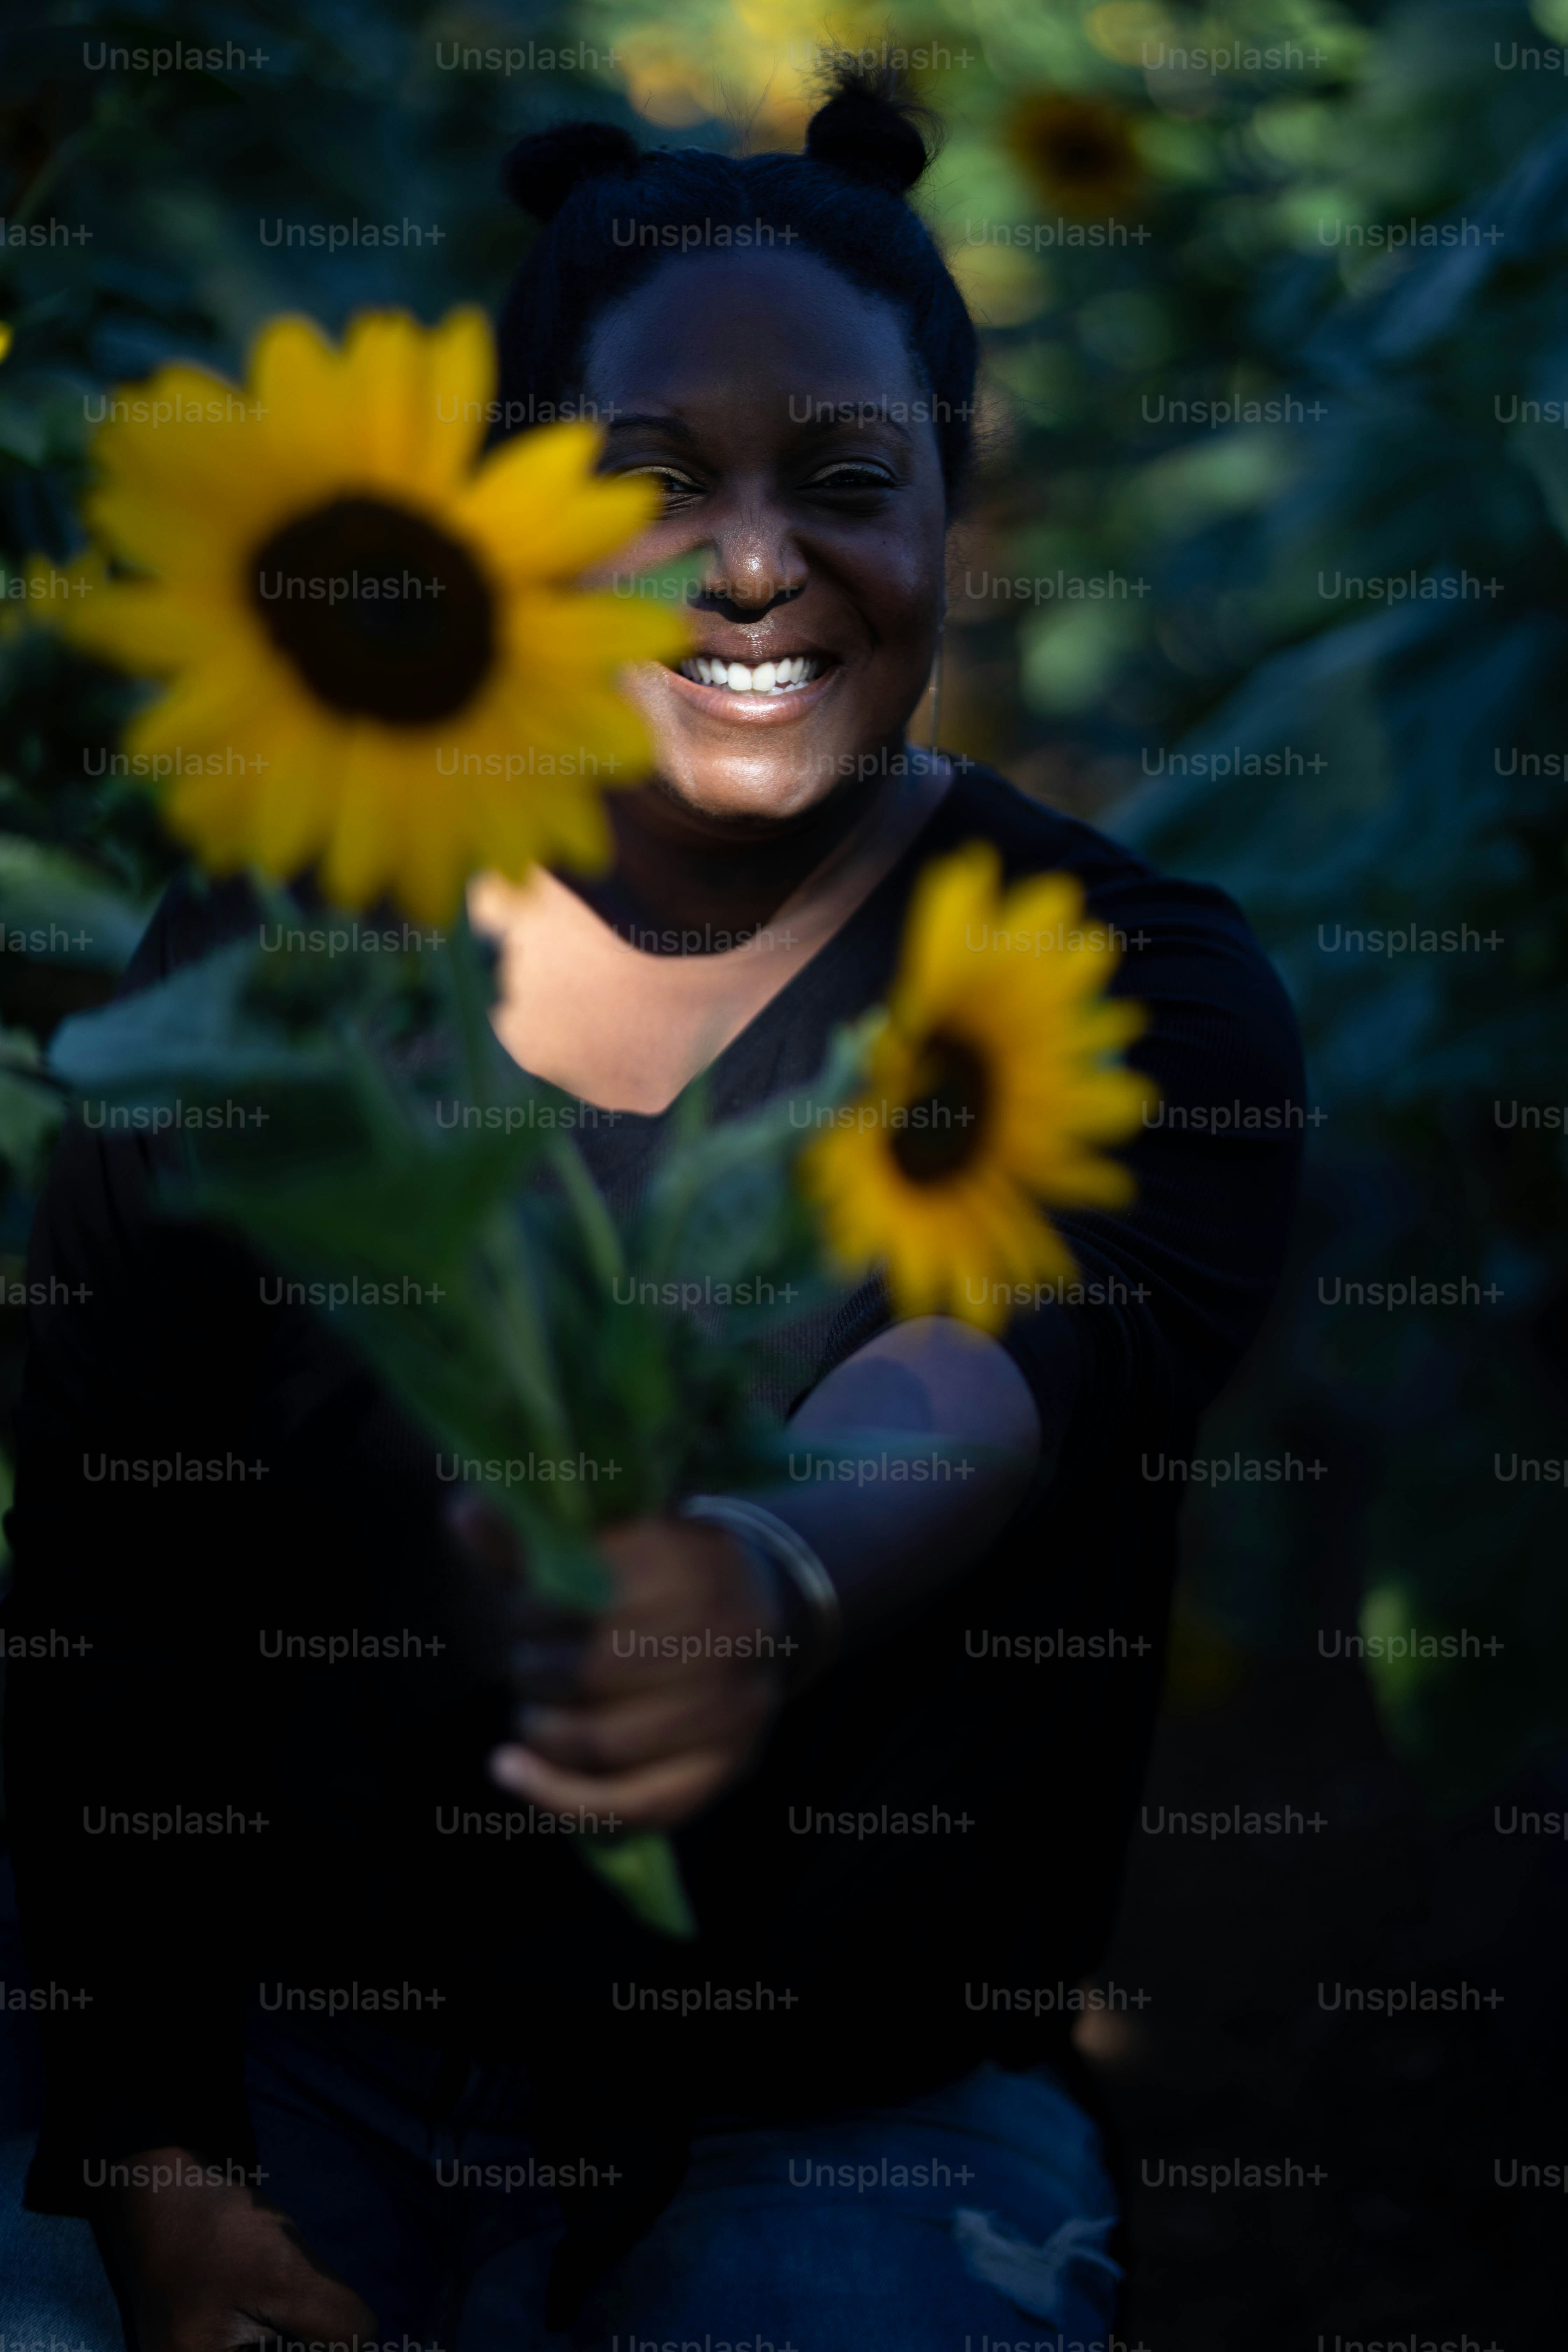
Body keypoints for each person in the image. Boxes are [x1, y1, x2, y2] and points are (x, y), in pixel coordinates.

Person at [0, 64, 1303, 2352]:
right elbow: (114, 1598)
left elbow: (993, 1363)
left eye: (848, 482)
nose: (754, 563)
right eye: (652, 485)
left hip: (840, 2105)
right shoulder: (278, 974)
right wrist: (150, 2158)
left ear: (955, 507)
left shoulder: (1119, 982)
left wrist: (766, 1580)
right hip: (297, 2058)